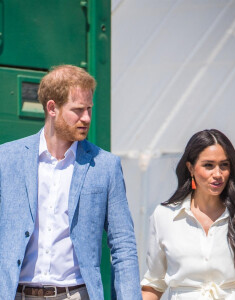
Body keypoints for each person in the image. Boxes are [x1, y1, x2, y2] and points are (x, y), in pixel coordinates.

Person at [0, 65, 142, 300]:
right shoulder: (6, 159)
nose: (86, 118)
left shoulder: (105, 166)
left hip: (76, 294)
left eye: (89, 109)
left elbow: (123, 246)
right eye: (77, 110)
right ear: (52, 108)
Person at [141, 129, 235, 300]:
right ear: (190, 168)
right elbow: (154, 284)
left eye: (224, 165)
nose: (218, 174)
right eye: (208, 165)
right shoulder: (164, 216)